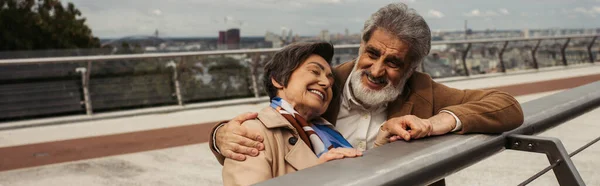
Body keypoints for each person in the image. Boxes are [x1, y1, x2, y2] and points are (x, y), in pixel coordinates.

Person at [212, 3, 524, 185]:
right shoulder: (325, 85)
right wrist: (220, 134)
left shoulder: (423, 91)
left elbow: (507, 106)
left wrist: (436, 122)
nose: (375, 70)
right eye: (372, 53)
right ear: (361, 45)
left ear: (412, 68)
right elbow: (273, 123)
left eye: (393, 63)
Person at [221, 42, 364, 186]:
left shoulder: (327, 130)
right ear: (279, 79)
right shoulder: (251, 134)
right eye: (314, 71)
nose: (326, 83)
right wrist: (316, 177)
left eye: (330, 80)